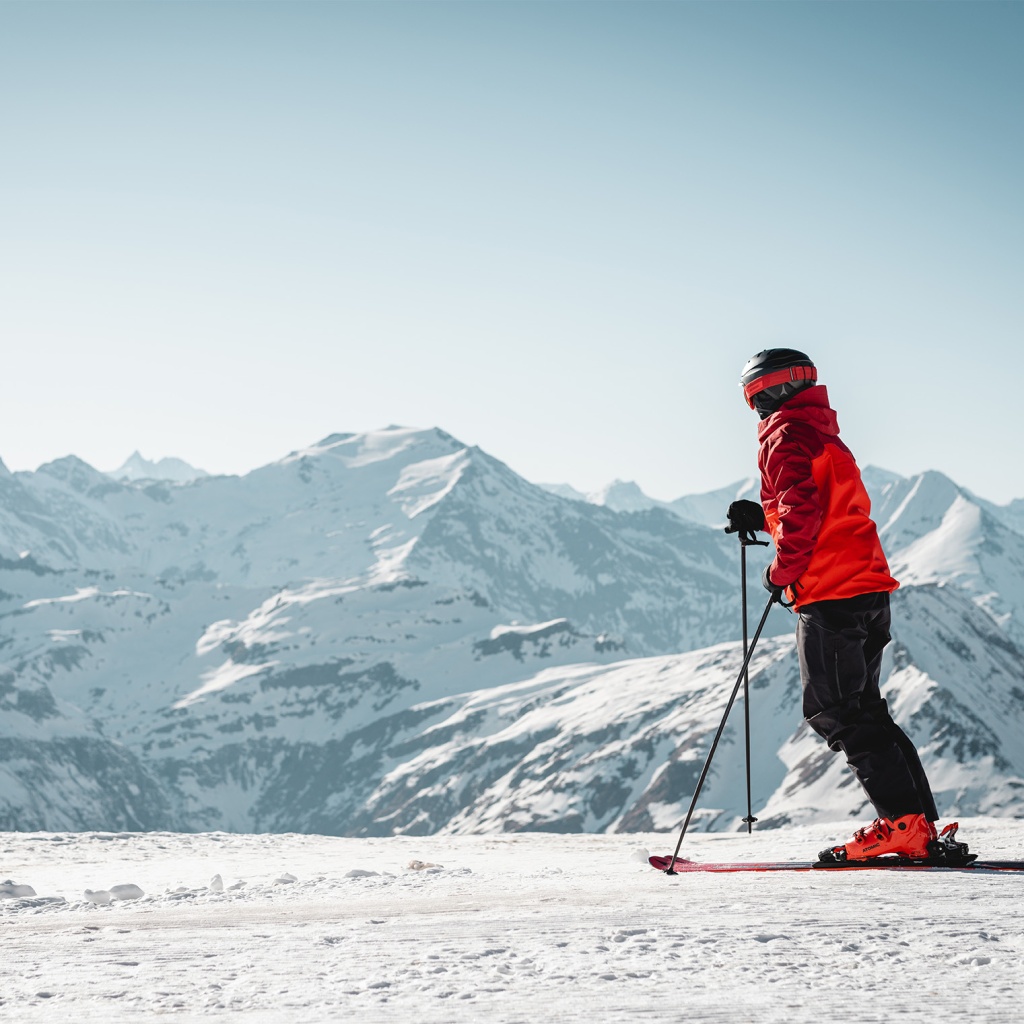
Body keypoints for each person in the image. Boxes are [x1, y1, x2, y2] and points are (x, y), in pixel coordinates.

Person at [729, 348, 941, 862]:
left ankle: (904, 826)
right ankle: (916, 825)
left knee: (836, 710)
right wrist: (764, 518)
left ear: (766, 391)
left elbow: (802, 517)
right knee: (865, 708)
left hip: (831, 593)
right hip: (866, 585)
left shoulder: (782, 437)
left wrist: (780, 572)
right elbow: (828, 507)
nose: (753, 409)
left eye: (753, 398)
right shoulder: (823, 433)